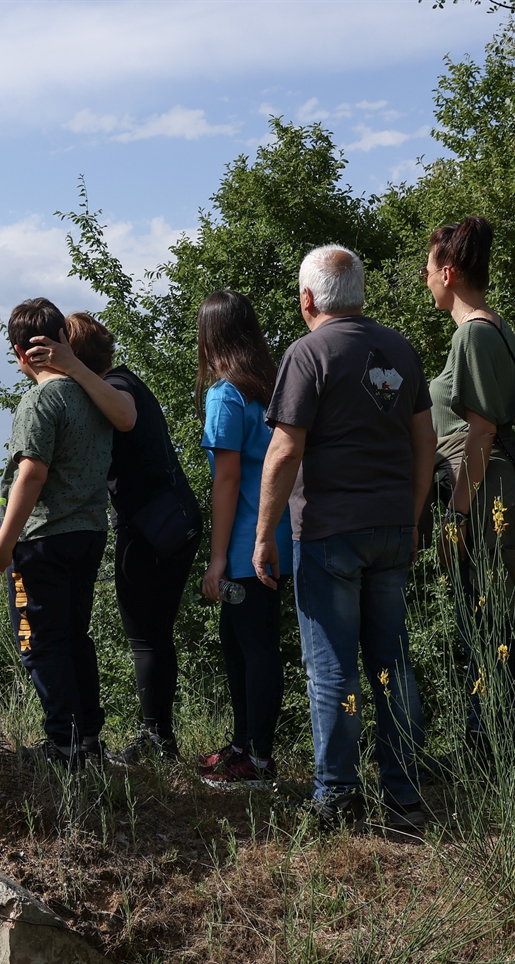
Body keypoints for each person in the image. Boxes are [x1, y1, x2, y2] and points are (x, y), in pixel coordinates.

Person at [251, 245, 434, 830]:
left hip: (330, 532)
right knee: (392, 660)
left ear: (308, 298)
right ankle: (405, 791)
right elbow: (425, 442)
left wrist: (263, 537)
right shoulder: (401, 349)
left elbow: (283, 450)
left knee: (333, 667)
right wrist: (411, 515)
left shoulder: (308, 354)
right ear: (359, 294)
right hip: (391, 526)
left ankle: (337, 795)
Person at [24, 312, 199, 763]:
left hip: (152, 528)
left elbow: (123, 417)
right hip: (169, 521)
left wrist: (69, 368)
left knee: (147, 636)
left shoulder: (116, 386)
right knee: (153, 633)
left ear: (73, 354)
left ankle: (157, 741)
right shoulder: (123, 380)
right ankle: (157, 738)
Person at [422, 215, 515, 749]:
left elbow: (479, 432)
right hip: (484, 485)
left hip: (480, 491)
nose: (425, 276)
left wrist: (457, 515)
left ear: (450, 271)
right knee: (492, 622)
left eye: (430, 267)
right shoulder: (492, 330)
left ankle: (497, 741)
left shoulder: (476, 335)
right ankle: (509, 736)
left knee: (486, 623)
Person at [0, 298, 114, 766]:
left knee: (40, 641)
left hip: (45, 540)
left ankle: (65, 746)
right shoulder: (91, 395)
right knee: (76, 637)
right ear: (62, 339)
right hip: (89, 533)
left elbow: (31, 475)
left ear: (19, 353)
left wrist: (2, 544)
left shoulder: (39, 401)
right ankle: (89, 741)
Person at [192, 291, 292, 791]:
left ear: (211, 337)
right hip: (281, 537)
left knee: (250, 647)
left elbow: (226, 479)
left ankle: (257, 759)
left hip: (245, 546)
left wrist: (216, 559)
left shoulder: (226, 394)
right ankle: (244, 744)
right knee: (244, 642)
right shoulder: (272, 386)